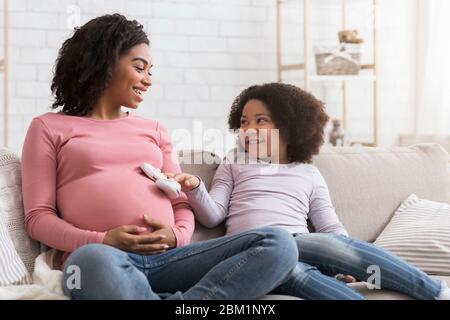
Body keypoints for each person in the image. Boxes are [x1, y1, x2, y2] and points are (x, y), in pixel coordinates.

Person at [21, 15, 299, 300]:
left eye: (151, 71)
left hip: (170, 260)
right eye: (140, 68)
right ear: (104, 61)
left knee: (277, 243)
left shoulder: (154, 129)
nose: (148, 80)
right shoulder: (48, 128)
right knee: (86, 263)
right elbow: (38, 218)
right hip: (103, 261)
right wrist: (102, 240)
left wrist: (177, 235)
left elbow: (180, 201)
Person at [169, 82, 450, 300]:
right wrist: (195, 189)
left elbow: (331, 228)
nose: (249, 129)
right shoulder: (235, 162)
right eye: (243, 122)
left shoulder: (308, 173)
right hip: (254, 250)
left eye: (260, 121)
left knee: (323, 249)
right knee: (295, 272)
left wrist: (344, 265)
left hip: (301, 244)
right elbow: (213, 215)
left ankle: (434, 290)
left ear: (288, 126)